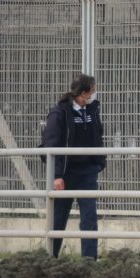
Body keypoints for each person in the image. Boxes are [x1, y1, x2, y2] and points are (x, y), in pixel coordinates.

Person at [42, 73, 106, 259]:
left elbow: (98, 137)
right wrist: (56, 175)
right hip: (65, 173)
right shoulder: (60, 112)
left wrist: (98, 162)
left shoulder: (92, 110)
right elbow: (52, 145)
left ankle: (89, 262)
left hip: (87, 172)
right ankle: (50, 260)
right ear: (83, 92)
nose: (93, 94)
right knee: (59, 218)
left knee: (89, 217)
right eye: (91, 90)